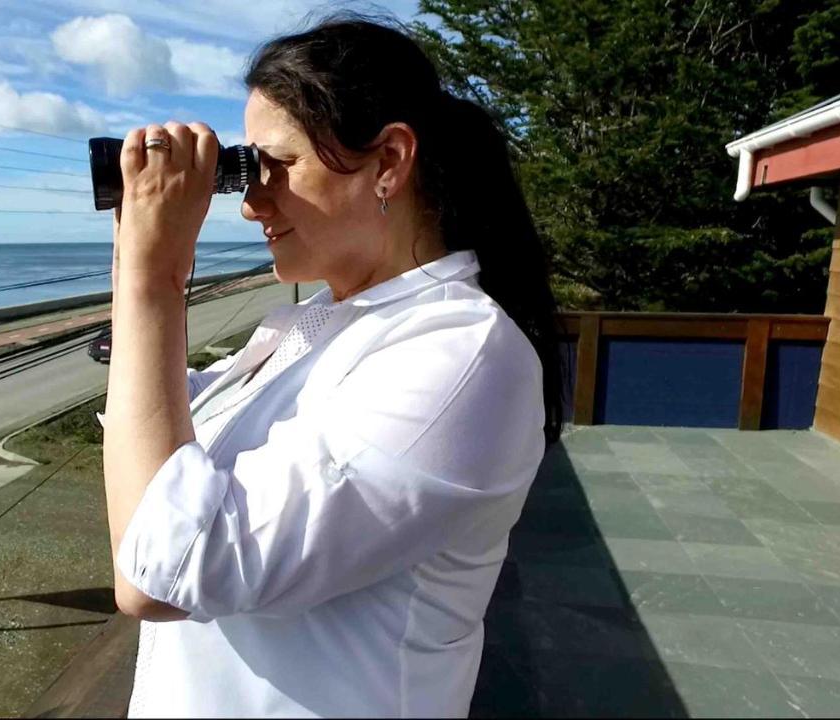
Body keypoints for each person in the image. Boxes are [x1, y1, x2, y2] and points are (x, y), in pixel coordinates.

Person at [101, 13, 563, 719]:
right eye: (245, 169)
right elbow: (162, 439)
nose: (252, 201)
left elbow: (160, 573)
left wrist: (152, 280)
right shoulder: (317, 321)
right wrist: (137, 253)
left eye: (276, 166)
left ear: (388, 162)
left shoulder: (464, 357)